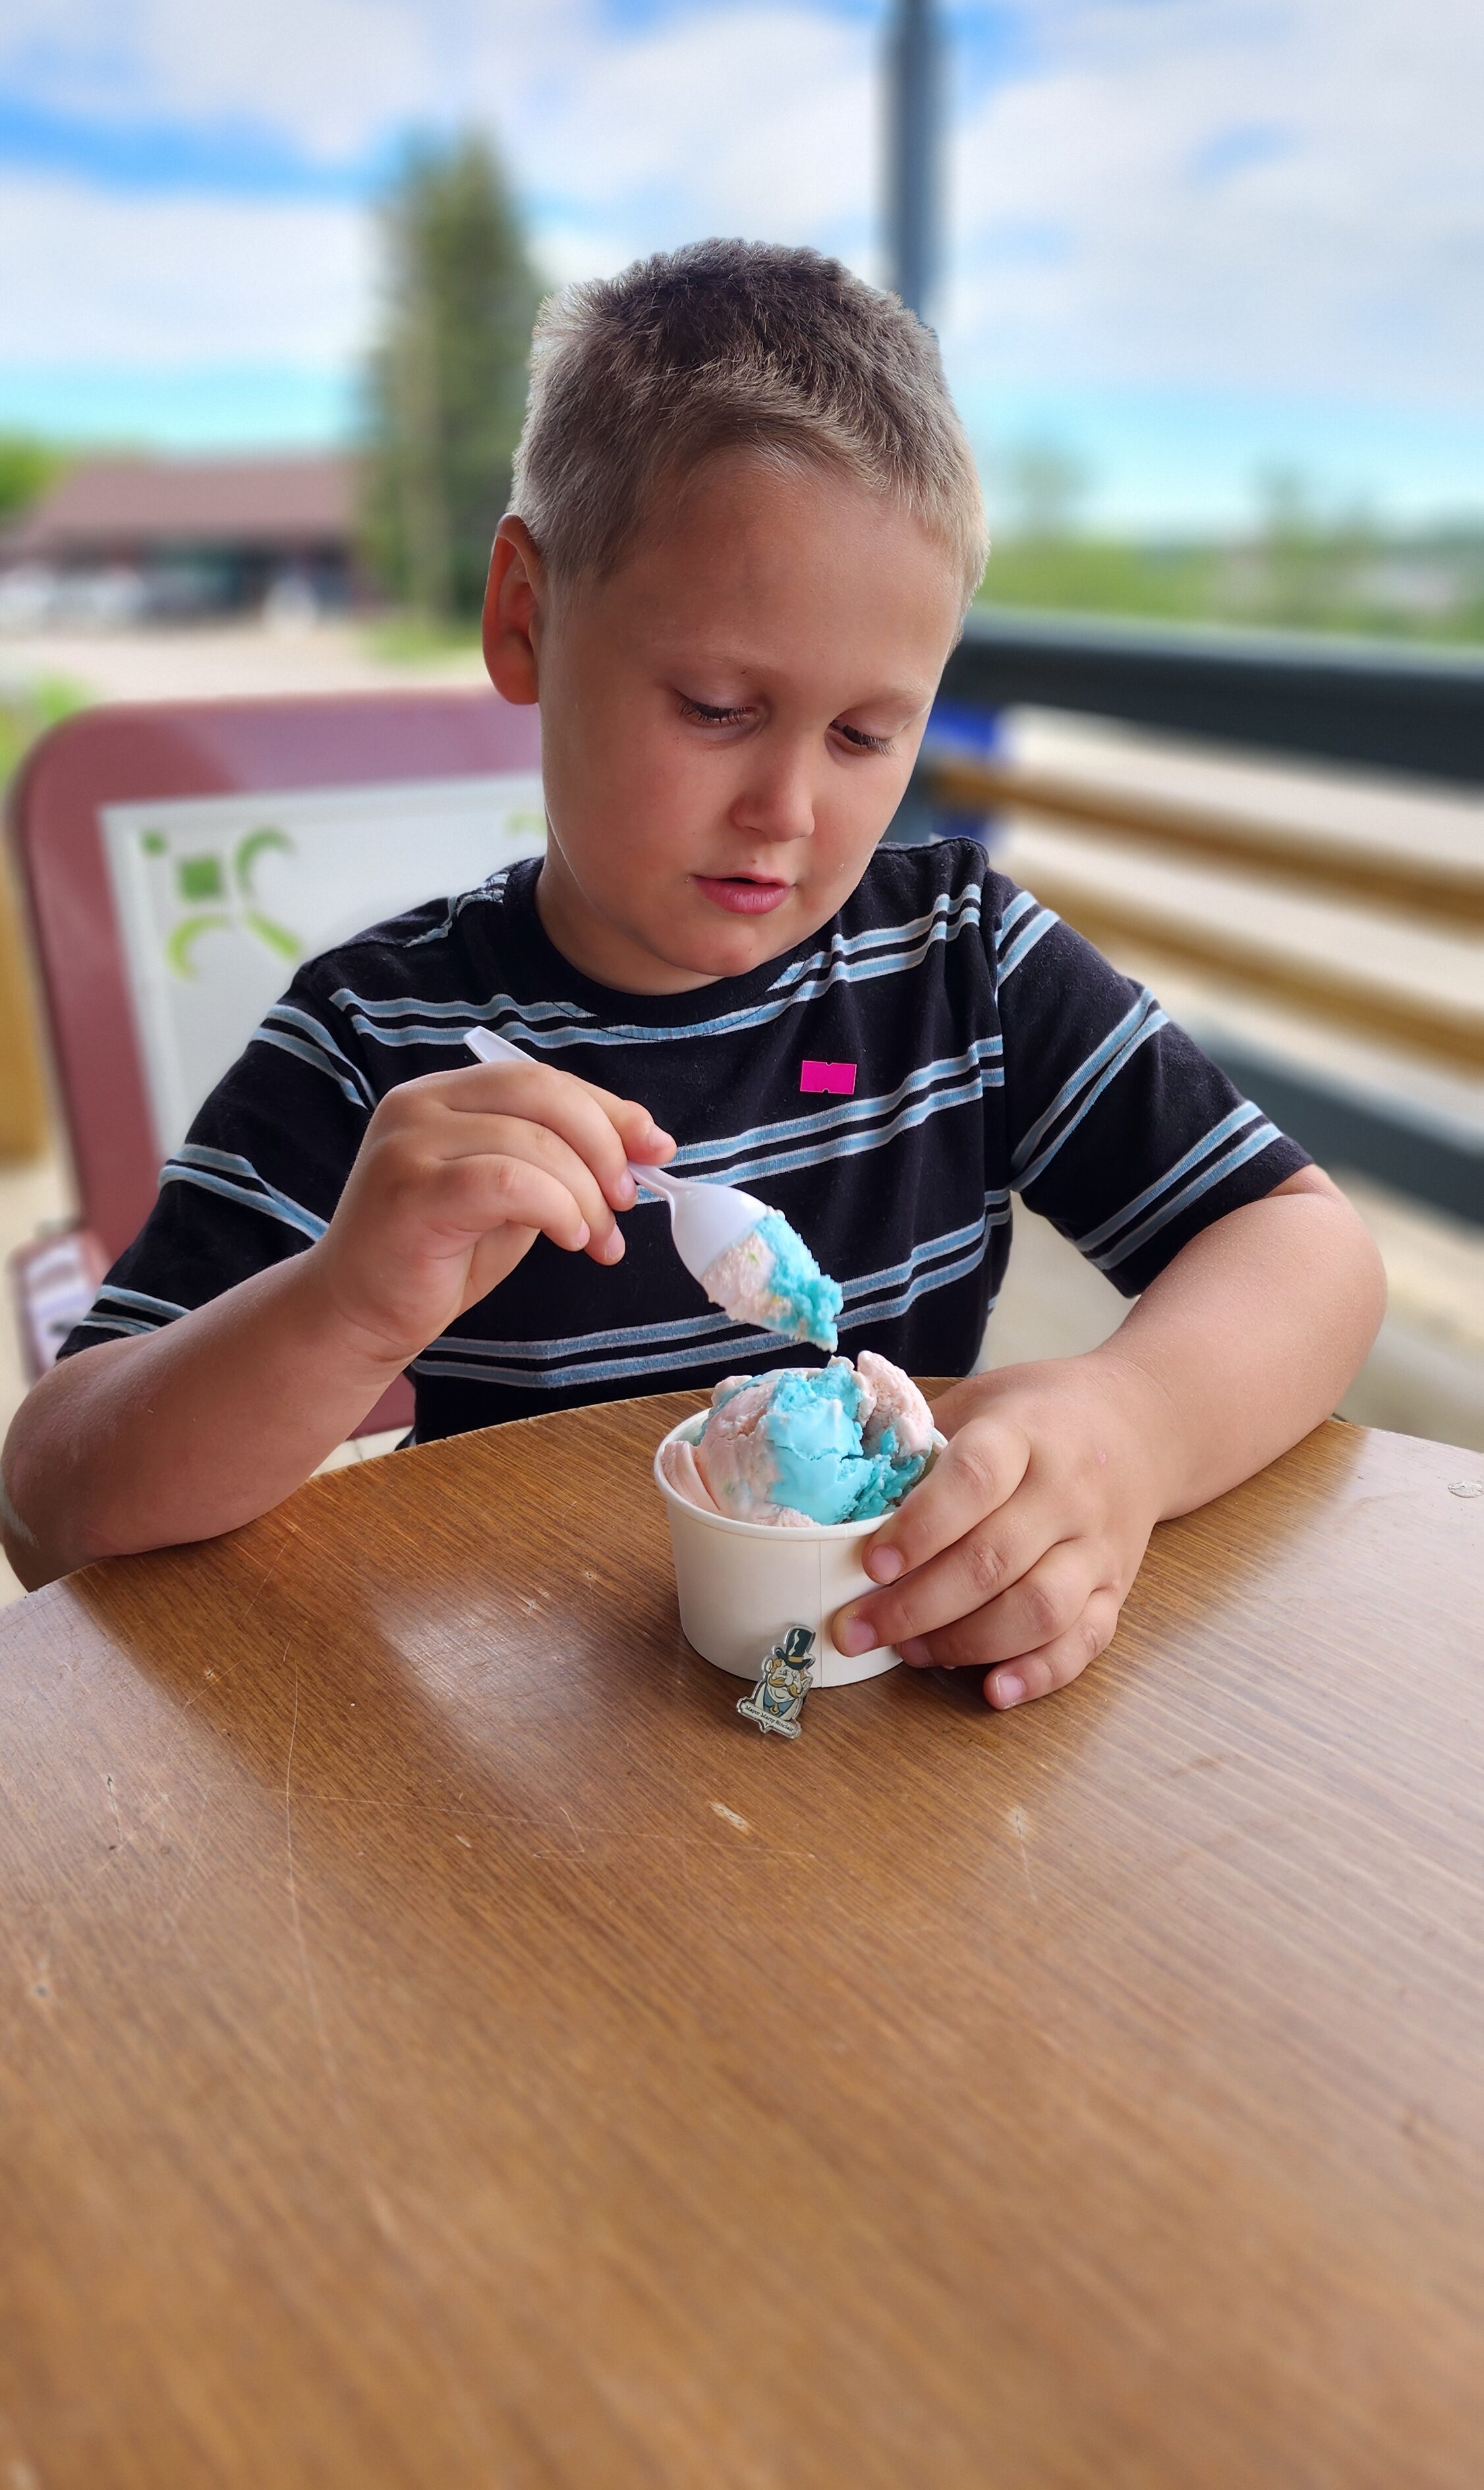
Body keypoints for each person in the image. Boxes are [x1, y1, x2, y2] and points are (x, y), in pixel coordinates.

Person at [2, 243, 1384, 1708]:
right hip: (505, 1778)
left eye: (866, 735)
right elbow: (53, 1497)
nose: (789, 808)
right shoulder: (383, 1036)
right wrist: (344, 1302)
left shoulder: (957, 967)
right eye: (719, 707)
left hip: (881, 1720)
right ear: (526, 616)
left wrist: (1133, 1422)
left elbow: (1308, 1249)